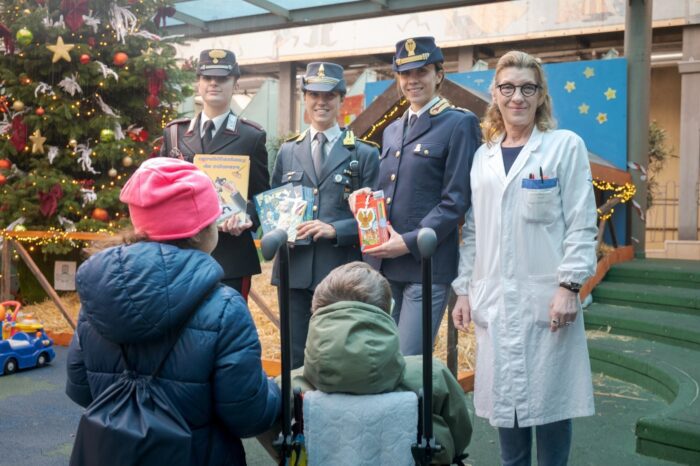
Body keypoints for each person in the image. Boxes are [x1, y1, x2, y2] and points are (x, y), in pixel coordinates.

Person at [66, 158, 281, 465]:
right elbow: (248, 415)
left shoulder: (96, 298)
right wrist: (274, 394)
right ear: (198, 231)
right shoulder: (225, 308)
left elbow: (80, 388)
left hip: (115, 454)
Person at [451, 50, 598, 466]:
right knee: (507, 407)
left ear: (540, 96)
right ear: (495, 94)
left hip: (546, 299)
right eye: (508, 87)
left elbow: (581, 223)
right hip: (494, 299)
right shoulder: (483, 158)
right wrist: (463, 292)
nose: (517, 97)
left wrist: (569, 287)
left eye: (527, 88)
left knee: (551, 406)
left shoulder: (563, 147)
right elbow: (474, 231)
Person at [261, 261, 471, 465]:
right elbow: (460, 436)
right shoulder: (430, 375)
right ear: (387, 310)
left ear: (316, 311)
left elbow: (272, 437)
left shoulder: (287, 386)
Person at [351, 37, 481, 356]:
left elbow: (456, 200)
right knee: (379, 357)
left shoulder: (459, 123)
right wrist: (370, 198)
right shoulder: (393, 129)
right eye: (405, 74)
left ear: (439, 75)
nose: (413, 81)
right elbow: (395, 188)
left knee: (409, 361)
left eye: (421, 72)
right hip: (384, 264)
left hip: (426, 265)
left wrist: (408, 242)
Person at [271, 62, 380, 368]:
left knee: (337, 352)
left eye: (330, 94)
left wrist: (336, 229)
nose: (322, 102)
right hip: (294, 269)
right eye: (314, 94)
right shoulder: (288, 151)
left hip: (340, 272)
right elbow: (274, 205)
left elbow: (375, 222)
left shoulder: (364, 153)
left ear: (341, 99)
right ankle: (293, 414)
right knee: (293, 355)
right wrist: (279, 228)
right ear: (304, 98)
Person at [160, 49, 269, 301]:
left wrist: (246, 218)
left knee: (228, 329)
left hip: (230, 256)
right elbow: (160, 189)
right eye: (207, 78)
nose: (213, 84)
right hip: (181, 253)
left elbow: (262, 197)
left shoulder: (251, 137)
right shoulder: (174, 134)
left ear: (235, 84)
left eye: (222, 78)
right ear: (198, 82)